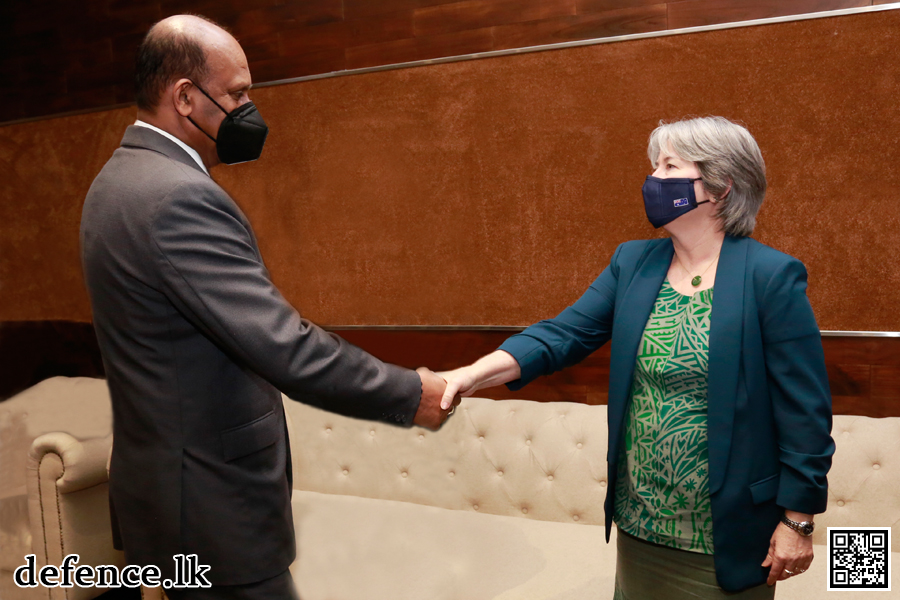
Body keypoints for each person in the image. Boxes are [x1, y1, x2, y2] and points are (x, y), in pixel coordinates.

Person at [80, 15, 456, 600]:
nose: (248, 110)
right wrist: (412, 394)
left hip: (164, 497)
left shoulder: (114, 182)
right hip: (212, 512)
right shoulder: (178, 196)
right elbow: (283, 345)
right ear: (184, 97)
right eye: (236, 94)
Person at [438, 116, 834, 598]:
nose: (654, 180)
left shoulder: (770, 276)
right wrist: (472, 374)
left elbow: (805, 412)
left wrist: (800, 522)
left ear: (721, 186)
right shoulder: (633, 263)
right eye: (654, 166)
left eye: (670, 166)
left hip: (723, 532)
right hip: (640, 520)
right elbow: (562, 335)